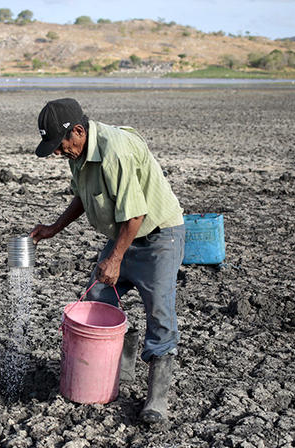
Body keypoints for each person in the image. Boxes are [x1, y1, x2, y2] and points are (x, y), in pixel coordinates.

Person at [29, 98, 185, 426]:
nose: (58, 152)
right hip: (124, 233)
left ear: (79, 131)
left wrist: (115, 259)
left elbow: (136, 214)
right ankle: (120, 370)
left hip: (158, 237)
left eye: (59, 145)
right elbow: (84, 195)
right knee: (97, 300)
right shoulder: (79, 153)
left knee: (159, 312)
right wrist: (54, 228)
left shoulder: (116, 151)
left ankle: (157, 399)